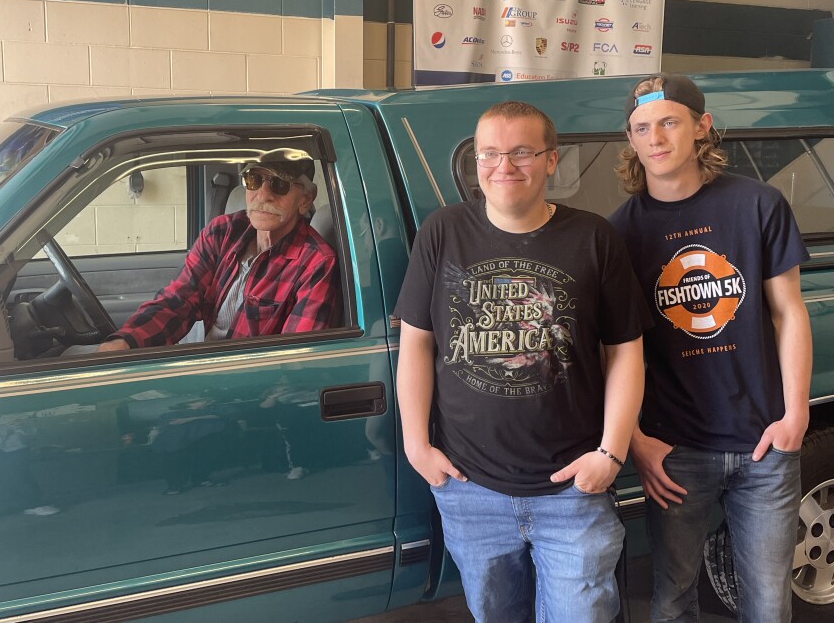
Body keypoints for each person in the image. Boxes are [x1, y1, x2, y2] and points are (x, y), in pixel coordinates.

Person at [394, 101, 651, 622]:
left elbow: (625, 351)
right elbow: (417, 343)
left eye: (521, 153)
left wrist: (611, 452)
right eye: (488, 153)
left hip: (573, 491)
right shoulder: (442, 232)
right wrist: (416, 445)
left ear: (552, 161)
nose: (503, 166)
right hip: (470, 490)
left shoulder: (595, 237)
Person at [608, 73, 812, 622]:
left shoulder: (758, 204)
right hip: (675, 452)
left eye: (669, 122)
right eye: (642, 128)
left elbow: (789, 311)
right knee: (672, 598)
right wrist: (637, 441)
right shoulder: (618, 234)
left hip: (764, 445)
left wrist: (795, 415)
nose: (656, 138)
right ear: (630, 140)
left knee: (768, 603)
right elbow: (614, 350)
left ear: (702, 127)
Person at [98, 149, 340, 350]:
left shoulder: (316, 262)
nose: (263, 195)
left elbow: (297, 358)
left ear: (306, 199)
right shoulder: (222, 232)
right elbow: (179, 299)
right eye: (254, 180)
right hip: (202, 360)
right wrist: (125, 342)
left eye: (280, 184)